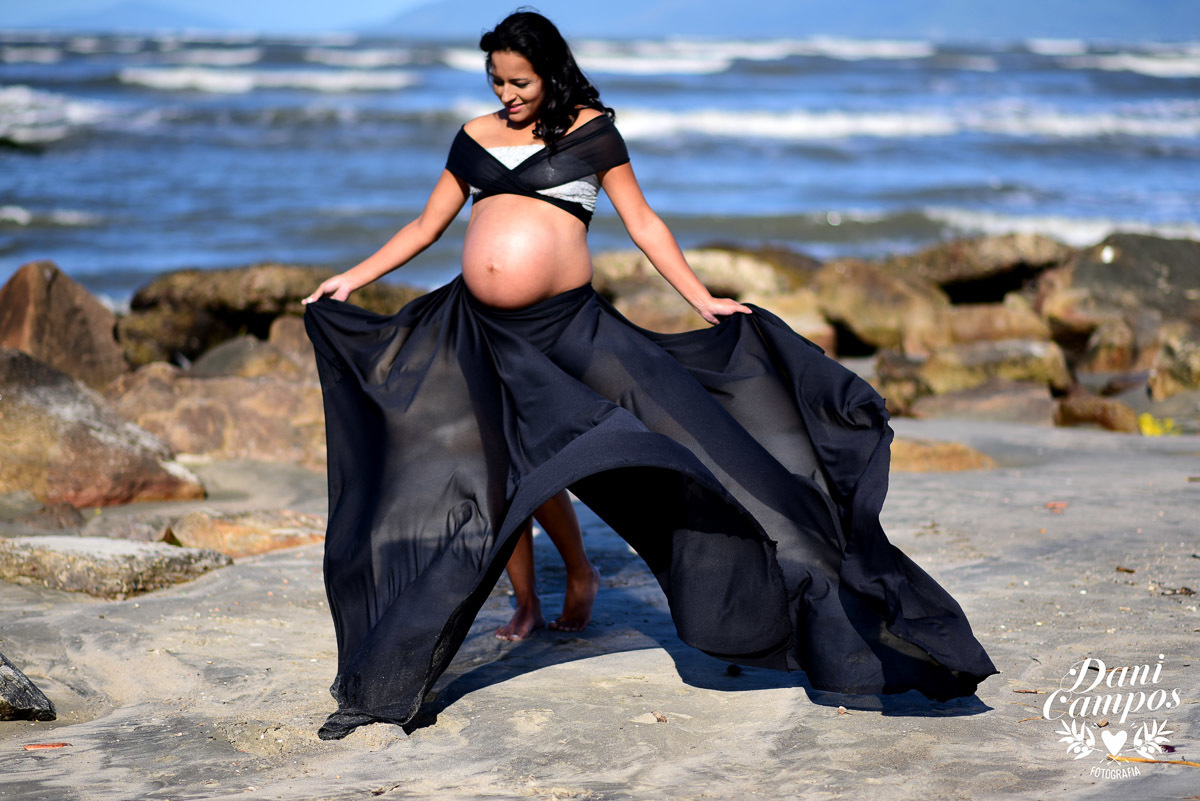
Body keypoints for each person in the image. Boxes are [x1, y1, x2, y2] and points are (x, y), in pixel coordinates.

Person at [302, 11, 996, 741]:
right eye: (497, 80)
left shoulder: (593, 132)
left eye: (521, 82)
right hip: (484, 334)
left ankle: (784, 599)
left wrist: (702, 300)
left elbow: (644, 222)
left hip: (572, 329)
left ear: (552, 73)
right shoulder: (474, 136)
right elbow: (425, 226)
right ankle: (476, 631)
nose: (507, 93)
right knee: (489, 477)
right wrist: (349, 278)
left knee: (690, 439)